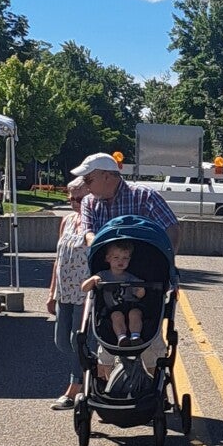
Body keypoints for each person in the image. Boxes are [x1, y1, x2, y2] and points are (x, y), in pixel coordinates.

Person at [45, 170, 91, 409]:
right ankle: (94, 370)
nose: (74, 203)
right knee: (61, 341)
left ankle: (75, 388)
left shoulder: (94, 223)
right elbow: (59, 259)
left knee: (77, 340)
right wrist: (51, 293)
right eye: (71, 198)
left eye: (79, 199)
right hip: (65, 291)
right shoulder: (67, 221)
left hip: (85, 293)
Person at [72, 153, 181, 248]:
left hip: (143, 263)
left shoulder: (145, 196)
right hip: (104, 264)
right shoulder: (88, 202)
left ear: (106, 176)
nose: (85, 186)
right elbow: (88, 233)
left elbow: (171, 228)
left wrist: (166, 260)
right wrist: (98, 249)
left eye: (88, 180)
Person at [83, 241, 148, 347]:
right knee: (116, 316)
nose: (120, 261)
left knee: (135, 313)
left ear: (129, 260)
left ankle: (135, 336)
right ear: (108, 258)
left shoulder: (131, 277)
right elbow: (84, 288)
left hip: (131, 305)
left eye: (125, 258)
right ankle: (122, 337)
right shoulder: (103, 275)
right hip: (113, 308)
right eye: (116, 257)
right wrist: (93, 279)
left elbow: (140, 295)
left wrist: (140, 289)